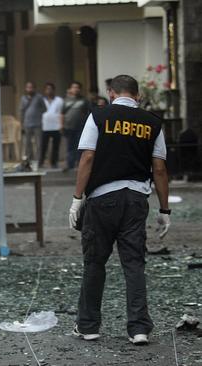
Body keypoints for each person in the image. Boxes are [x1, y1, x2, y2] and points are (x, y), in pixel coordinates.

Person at [69, 75, 170, 346]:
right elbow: (159, 168)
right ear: (137, 96)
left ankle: (88, 325)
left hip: (102, 199)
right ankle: (139, 329)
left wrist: (77, 198)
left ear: (111, 93)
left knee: (94, 262)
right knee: (134, 263)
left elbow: (87, 157)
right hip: (136, 200)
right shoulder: (153, 123)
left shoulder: (99, 116)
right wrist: (165, 209)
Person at [61, 81, 90, 172]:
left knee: (80, 146)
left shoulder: (84, 100)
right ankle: (70, 165)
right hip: (68, 127)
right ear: (70, 89)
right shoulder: (66, 100)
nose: (76, 89)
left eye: (77, 87)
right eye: (74, 87)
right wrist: (61, 125)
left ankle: (79, 164)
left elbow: (88, 113)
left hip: (81, 127)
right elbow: (62, 114)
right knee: (70, 146)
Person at [39, 83, 64, 169]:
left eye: (50, 89)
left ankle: (54, 163)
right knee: (43, 146)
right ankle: (41, 162)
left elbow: (62, 113)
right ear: (45, 91)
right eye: (47, 89)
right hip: (45, 126)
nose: (49, 91)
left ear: (54, 90)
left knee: (55, 146)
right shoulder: (42, 100)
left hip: (56, 126)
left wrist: (61, 125)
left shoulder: (59, 100)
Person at [20, 82, 46, 162]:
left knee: (38, 143)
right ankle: (28, 160)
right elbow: (21, 111)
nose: (29, 89)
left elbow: (44, 108)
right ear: (26, 88)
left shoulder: (39, 97)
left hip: (37, 124)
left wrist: (37, 114)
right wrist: (22, 124)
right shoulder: (23, 98)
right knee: (27, 143)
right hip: (27, 123)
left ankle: (38, 161)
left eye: (31, 87)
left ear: (34, 88)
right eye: (28, 87)